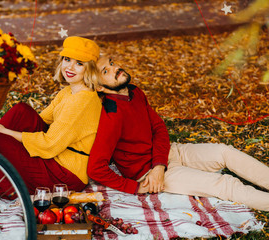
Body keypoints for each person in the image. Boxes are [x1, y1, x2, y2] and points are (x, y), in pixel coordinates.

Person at [87, 56, 269, 211]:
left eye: (111, 63)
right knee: (223, 184)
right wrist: (135, 187)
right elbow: (95, 168)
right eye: (106, 71)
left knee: (224, 152)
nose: (115, 68)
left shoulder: (134, 91)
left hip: (167, 153)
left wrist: (160, 163)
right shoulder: (111, 116)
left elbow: (158, 127)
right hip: (148, 173)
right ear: (100, 88)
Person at [0, 36, 102, 196]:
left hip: (64, 175)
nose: (70, 67)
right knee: (21, 111)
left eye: (79, 63)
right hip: (56, 157)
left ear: (89, 68)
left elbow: (49, 145)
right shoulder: (69, 92)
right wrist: (4, 131)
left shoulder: (82, 101)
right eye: (67, 59)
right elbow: (40, 121)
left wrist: (5, 132)